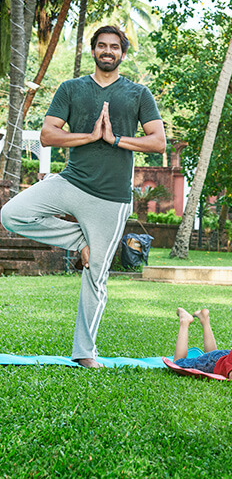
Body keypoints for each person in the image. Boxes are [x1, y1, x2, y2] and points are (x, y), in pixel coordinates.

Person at [1, 25, 166, 368]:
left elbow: (158, 142)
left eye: (114, 47)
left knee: (97, 275)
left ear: (122, 53)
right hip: (70, 181)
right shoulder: (72, 88)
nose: (108, 51)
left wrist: (115, 140)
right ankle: (81, 242)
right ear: (93, 51)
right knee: (12, 214)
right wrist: (90, 136)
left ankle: (85, 352)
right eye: (102, 46)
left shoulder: (138, 93)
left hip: (111, 198)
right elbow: (47, 135)